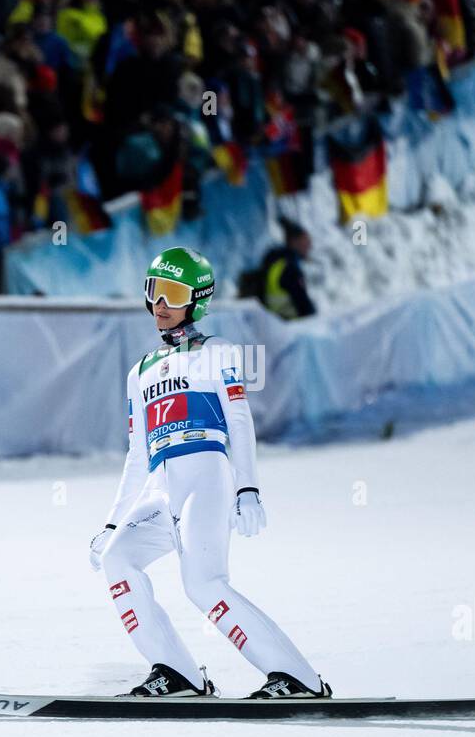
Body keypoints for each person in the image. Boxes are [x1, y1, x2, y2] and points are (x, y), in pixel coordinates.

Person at [87, 247, 330, 699]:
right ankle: (178, 674)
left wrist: (248, 488)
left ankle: (297, 678)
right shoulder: (138, 372)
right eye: (155, 291)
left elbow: (239, 420)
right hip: (162, 488)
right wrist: (112, 522)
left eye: (173, 294)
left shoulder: (216, 351)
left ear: (196, 300)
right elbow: (137, 456)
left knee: (202, 583)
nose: (160, 303)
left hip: (205, 478)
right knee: (119, 558)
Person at [260, 218, 317, 320]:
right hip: (288, 325)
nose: (309, 246)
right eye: (306, 240)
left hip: (272, 321)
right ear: (294, 241)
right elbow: (305, 308)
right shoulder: (290, 268)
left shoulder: (274, 259)